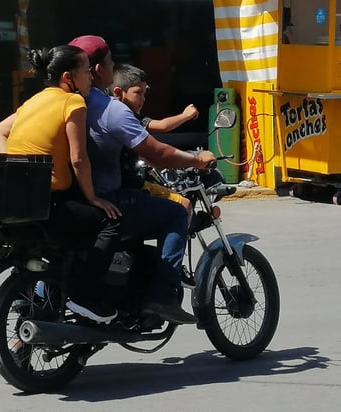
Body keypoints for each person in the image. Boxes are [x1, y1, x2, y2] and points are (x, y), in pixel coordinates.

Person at [68, 35, 216, 324]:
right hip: (107, 198)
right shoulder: (110, 109)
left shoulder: (56, 101)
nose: (113, 67)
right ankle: (162, 297)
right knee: (175, 212)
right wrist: (196, 160)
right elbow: (158, 154)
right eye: (111, 62)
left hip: (67, 199)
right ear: (98, 71)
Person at [0, 44, 121, 324]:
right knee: (109, 221)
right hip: (49, 201)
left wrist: (14, 164)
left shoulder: (33, 102)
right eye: (86, 72)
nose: (90, 78)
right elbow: (78, 159)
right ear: (68, 78)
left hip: (20, 201)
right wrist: (94, 198)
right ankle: (84, 296)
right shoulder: (73, 102)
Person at [110, 63, 200, 289]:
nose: (142, 99)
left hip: (124, 185)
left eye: (144, 92)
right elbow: (160, 133)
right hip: (127, 191)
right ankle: (169, 276)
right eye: (137, 93)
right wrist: (186, 116)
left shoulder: (111, 112)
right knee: (182, 206)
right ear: (119, 93)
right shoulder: (125, 118)